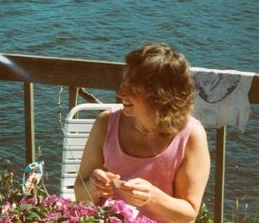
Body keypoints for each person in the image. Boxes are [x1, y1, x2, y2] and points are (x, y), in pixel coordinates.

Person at [74, 43, 210, 222]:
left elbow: (189, 212)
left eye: (132, 87)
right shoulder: (106, 123)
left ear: (160, 94)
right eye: (124, 82)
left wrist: (153, 197)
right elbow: (79, 193)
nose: (121, 93)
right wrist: (94, 186)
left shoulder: (190, 135)